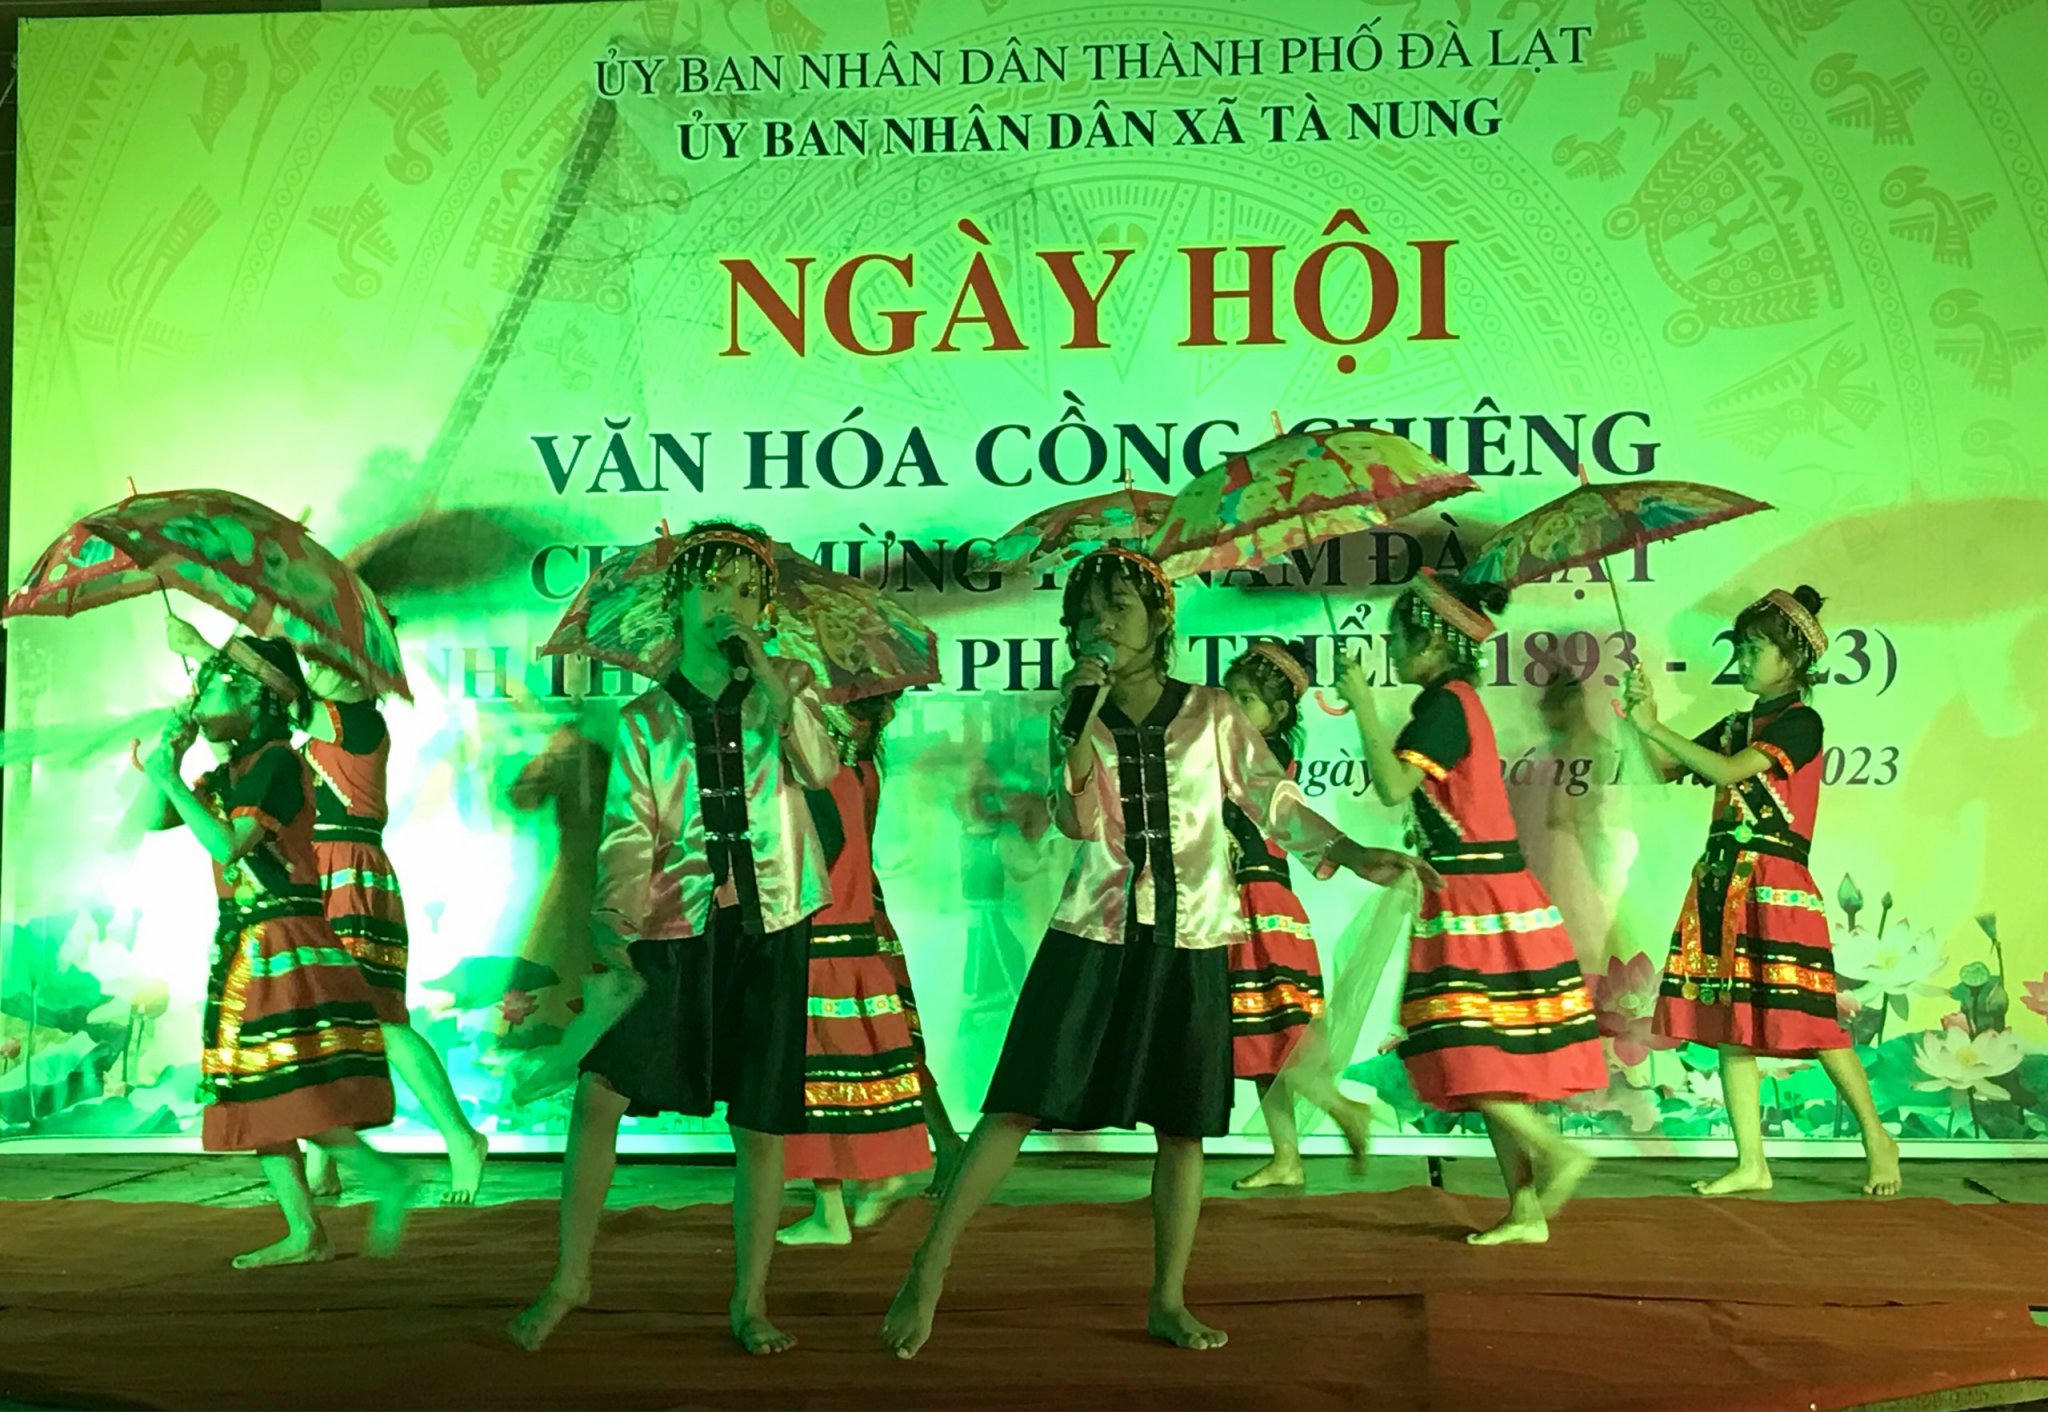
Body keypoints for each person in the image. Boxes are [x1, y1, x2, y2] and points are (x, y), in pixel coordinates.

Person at [881, 547, 1437, 1359]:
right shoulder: (1078, 712)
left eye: (1120, 607)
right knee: (1016, 1105)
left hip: (1190, 938)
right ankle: (926, 1269)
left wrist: (1351, 854)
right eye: (1088, 613)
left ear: (1158, 620)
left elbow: (1272, 798)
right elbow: (1075, 823)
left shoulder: (1211, 711)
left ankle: (1168, 1299)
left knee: (1182, 1128)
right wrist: (1077, 725)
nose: (1103, 624)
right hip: (1095, 934)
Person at [507, 521, 839, 1355]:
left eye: (746, 592)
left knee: (759, 1121)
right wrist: (616, 922)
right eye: (712, 587)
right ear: (679, 600)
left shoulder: (783, 691)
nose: (729, 605)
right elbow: (631, 828)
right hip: (676, 925)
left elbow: (822, 771)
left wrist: (773, 683)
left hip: (771, 922)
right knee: (601, 1092)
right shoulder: (648, 717)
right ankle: (570, 1276)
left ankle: (750, 1301)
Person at [169, 614, 488, 1204]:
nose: (314, 667)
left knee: (377, 1018)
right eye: (313, 658)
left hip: (349, 873)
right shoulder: (303, 742)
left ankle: (459, 1136)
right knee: (320, 1026)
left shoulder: (360, 721)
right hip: (315, 875)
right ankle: (325, 1167)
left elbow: (280, 695)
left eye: (327, 660)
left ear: (360, 672)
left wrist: (205, 650)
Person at [1336, 569, 1606, 1245]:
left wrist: (1362, 704)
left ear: (1433, 640)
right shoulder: (1451, 703)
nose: (1393, 649)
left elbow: (1393, 787)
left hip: (1475, 899)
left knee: (1464, 1049)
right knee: (1484, 1053)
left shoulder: (1446, 708)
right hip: (1471, 892)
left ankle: (1556, 1152)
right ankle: (1525, 1209)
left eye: (1399, 637)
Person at [130, 635, 411, 1266]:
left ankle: (380, 1178)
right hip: (246, 940)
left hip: (281, 939)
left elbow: (228, 844)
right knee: (257, 1089)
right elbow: (154, 819)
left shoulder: (278, 763)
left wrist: (170, 777)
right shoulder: (229, 772)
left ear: (256, 698)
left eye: (213, 686)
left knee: (287, 1088)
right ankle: (306, 1230)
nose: (199, 697)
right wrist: (168, 762)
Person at [1625, 585, 1901, 1197]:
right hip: (1723, 882)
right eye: (1742, 647)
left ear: (1792, 659)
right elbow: (1663, 771)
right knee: (1731, 1023)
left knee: (1814, 1019)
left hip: (1775, 886)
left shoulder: (1802, 722)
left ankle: (1877, 1136)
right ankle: (1751, 1161)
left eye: (1755, 649)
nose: (1743, 659)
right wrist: (1641, 719)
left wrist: (1656, 726)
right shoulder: (1737, 724)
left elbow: (1727, 771)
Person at [778, 692, 932, 1245]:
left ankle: (831, 1210)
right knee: (865, 1066)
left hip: (820, 935)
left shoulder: (822, 777)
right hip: (857, 932)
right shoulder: (862, 769)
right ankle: (876, 1175)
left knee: (814, 1077)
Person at [1219, 640, 1372, 1189]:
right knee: (1262, 1037)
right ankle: (1287, 1156)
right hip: (1247, 901)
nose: (1232, 708)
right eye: (1229, 696)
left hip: (1259, 903)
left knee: (1281, 1032)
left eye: (1246, 699)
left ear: (1278, 711)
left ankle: (1341, 1107)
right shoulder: (1240, 751)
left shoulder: (1259, 756)